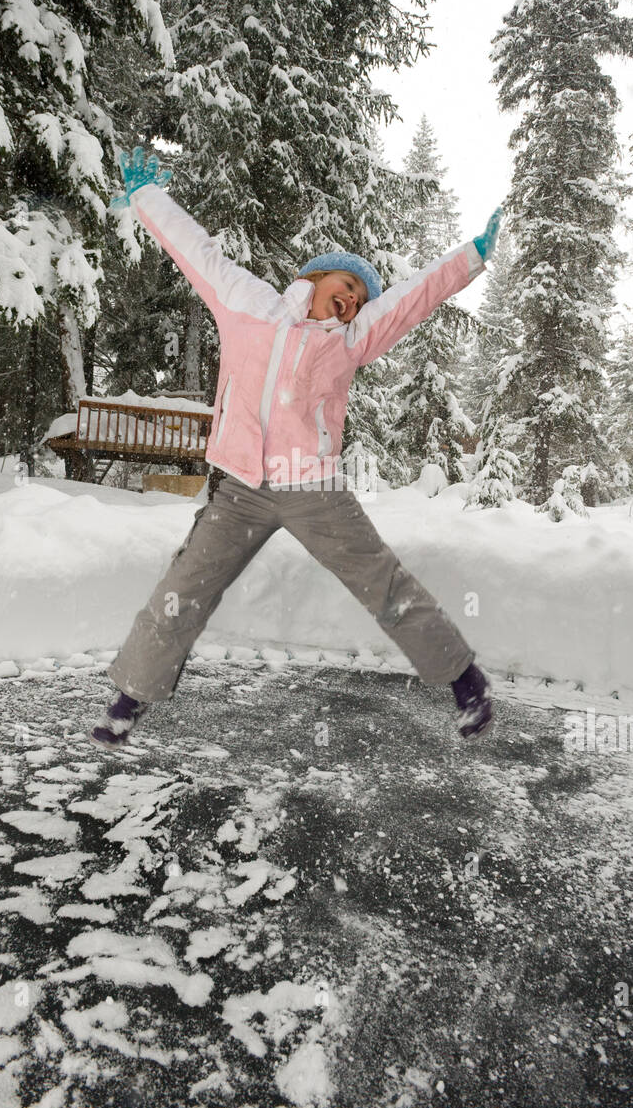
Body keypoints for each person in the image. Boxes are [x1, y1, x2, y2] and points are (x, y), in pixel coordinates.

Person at [91, 147, 501, 749]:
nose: (354, 299)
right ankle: (127, 702)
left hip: (313, 488)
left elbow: (413, 299)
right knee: (183, 591)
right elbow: (197, 251)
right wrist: (146, 197)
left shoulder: (352, 339)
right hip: (240, 490)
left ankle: (467, 684)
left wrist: (471, 258)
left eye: (363, 296)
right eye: (347, 284)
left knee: (383, 583)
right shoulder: (247, 304)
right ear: (313, 277)